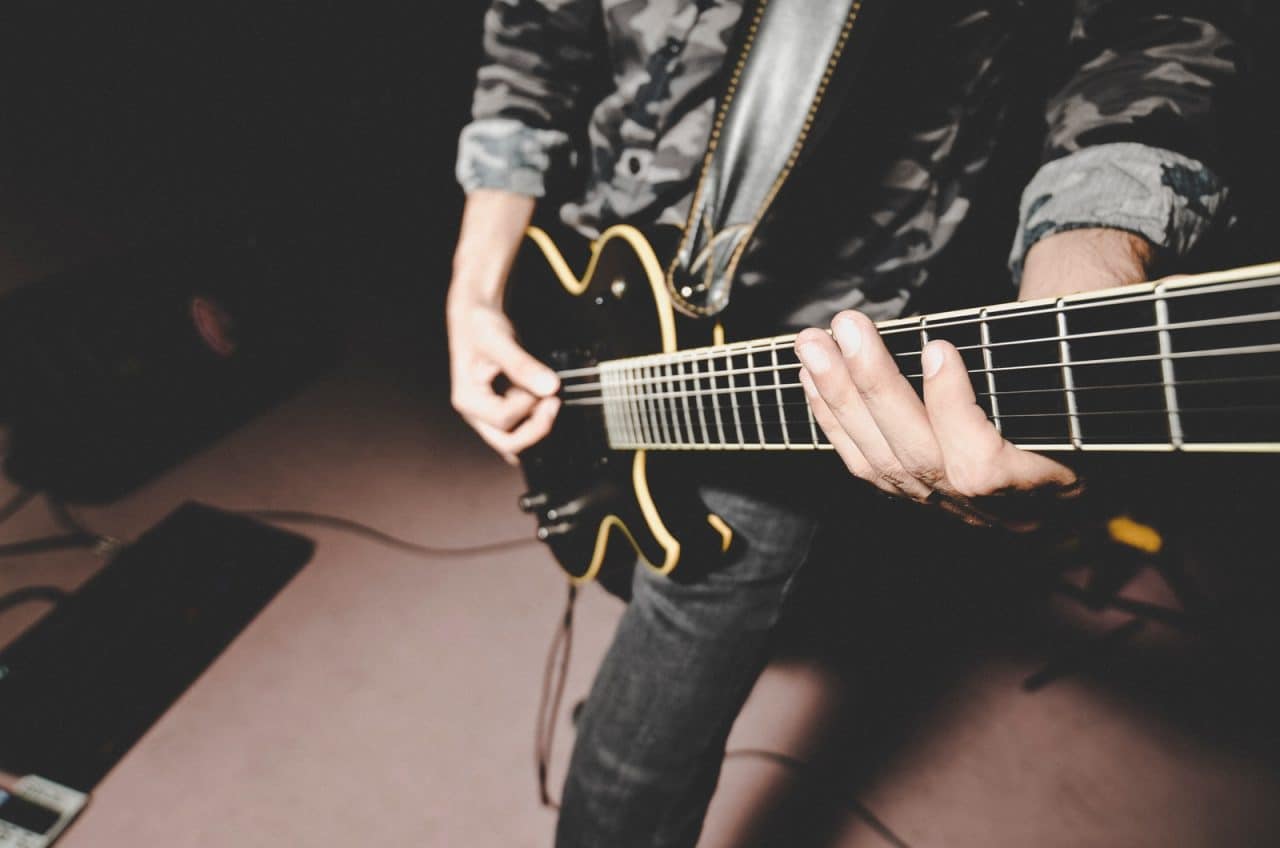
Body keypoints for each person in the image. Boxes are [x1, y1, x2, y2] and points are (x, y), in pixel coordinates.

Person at [445, 1, 1243, 844]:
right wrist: (474, 286)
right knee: (625, 579)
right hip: (592, 282)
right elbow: (532, 40)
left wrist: (1090, 267)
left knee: (637, 758)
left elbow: (1151, 38)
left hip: (801, 361)